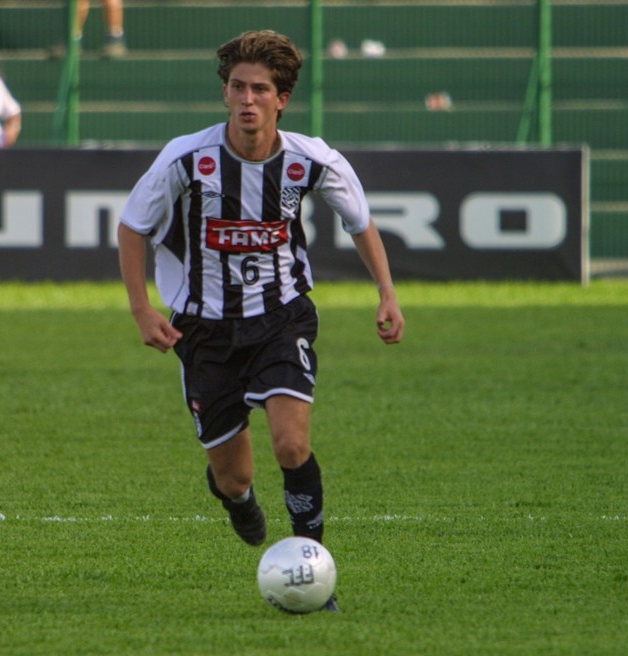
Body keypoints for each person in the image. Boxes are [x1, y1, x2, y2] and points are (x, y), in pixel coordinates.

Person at [117, 30, 405, 610]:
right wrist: (142, 309)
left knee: (292, 445)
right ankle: (236, 499)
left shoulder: (310, 160)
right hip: (203, 329)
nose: (247, 99)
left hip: (281, 317)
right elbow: (132, 227)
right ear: (225, 93)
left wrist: (387, 293)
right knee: (234, 478)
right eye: (237, 87)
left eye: (260, 89)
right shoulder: (186, 158)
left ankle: (312, 568)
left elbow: (359, 222)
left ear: (282, 99)